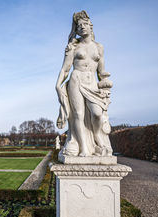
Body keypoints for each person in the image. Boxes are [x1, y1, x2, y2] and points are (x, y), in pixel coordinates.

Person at [55, 10, 113, 157]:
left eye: (84, 24)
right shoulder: (73, 47)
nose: (82, 27)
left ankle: (97, 136)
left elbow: (102, 72)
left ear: (90, 26)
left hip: (92, 82)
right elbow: (65, 69)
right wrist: (58, 85)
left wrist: (105, 84)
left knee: (97, 113)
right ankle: (84, 149)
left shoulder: (99, 47)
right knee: (78, 115)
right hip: (76, 79)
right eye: (79, 25)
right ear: (76, 29)